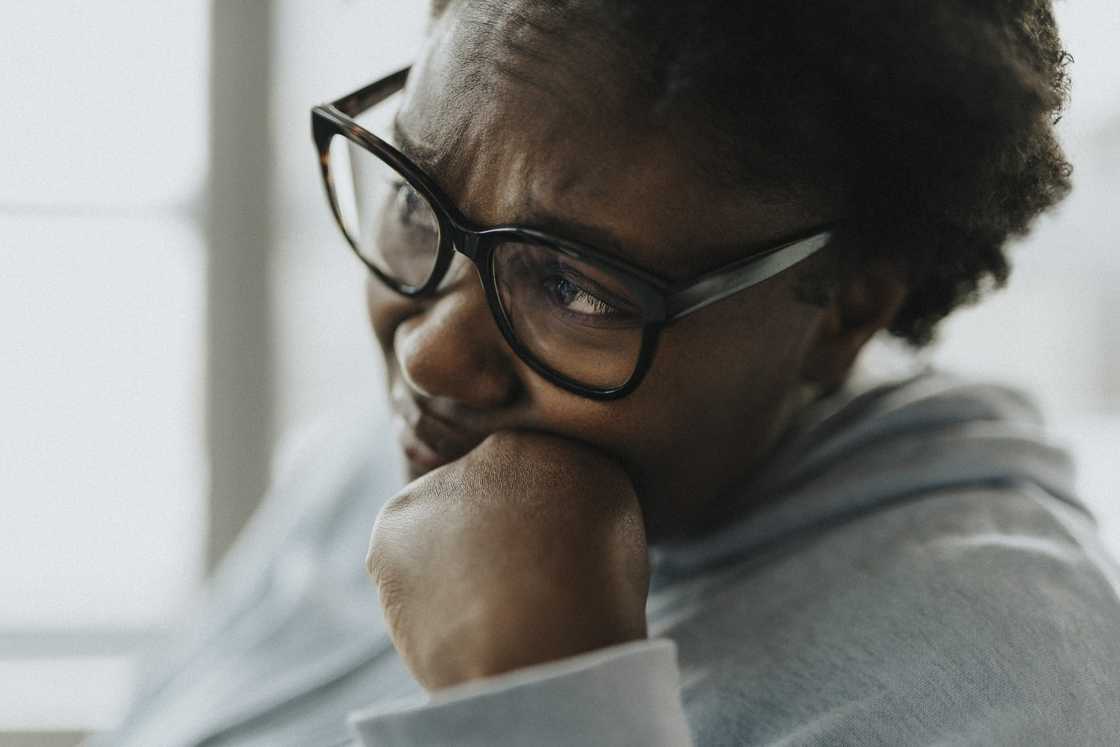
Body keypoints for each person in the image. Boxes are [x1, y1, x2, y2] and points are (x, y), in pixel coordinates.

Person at [87, 1, 1120, 745]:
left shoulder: (1007, 688)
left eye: (574, 287)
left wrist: (540, 694)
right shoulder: (423, 445)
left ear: (848, 307)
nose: (427, 351)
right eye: (414, 203)